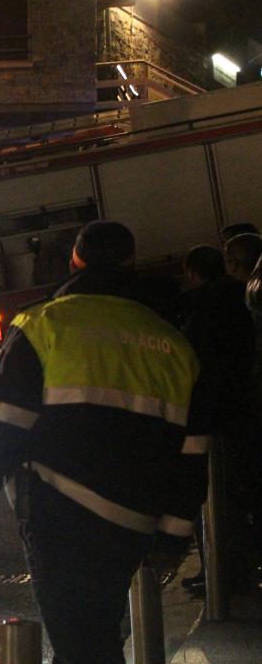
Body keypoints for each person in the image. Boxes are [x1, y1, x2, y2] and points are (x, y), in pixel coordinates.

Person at [0, 220, 205, 664]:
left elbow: (1, 425)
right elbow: (192, 449)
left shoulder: (42, 325)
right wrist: (174, 533)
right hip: (134, 519)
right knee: (95, 633)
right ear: (130, 264)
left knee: (83, 642)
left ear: (75, 261)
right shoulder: (173, 344)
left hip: (59, 511)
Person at [177, 245, 256, 592]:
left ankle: (220, 573)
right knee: (240, 494)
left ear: (194, 273)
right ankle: (234, 568)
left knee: (216, 496)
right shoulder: (242, 295)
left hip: (213, 412)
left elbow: (194, 359)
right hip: (244, 406)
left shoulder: (200, 306)